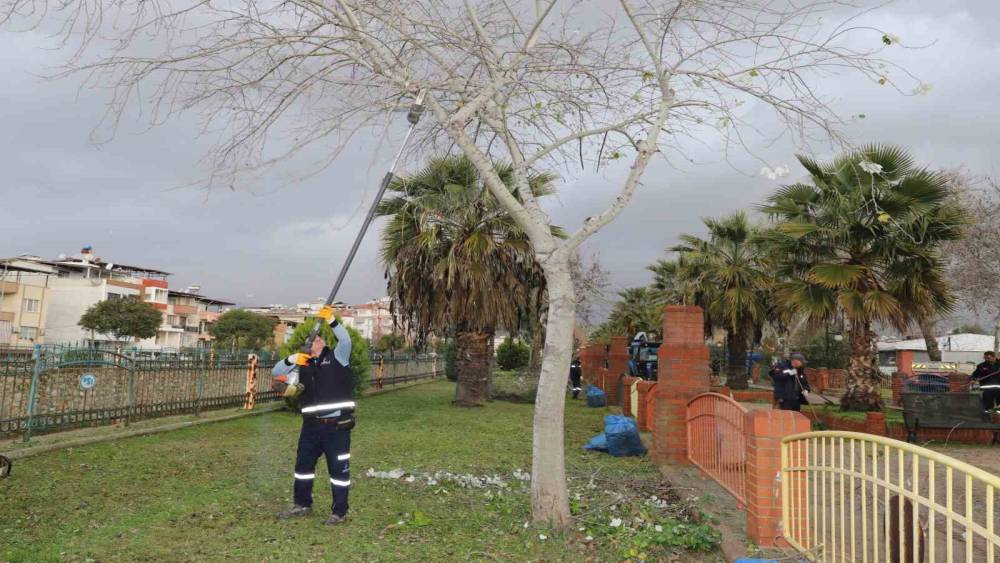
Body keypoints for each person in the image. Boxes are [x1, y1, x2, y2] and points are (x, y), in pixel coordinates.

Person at [274, 306, 355, 525]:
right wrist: (292, 359)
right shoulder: (303, 365)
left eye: (319, 337)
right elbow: (277, 373)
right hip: (310, 426)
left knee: (338, 470)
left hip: (336, 426)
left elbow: (345, 340)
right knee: (303, 467)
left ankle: (339, 512)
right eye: (312, 339)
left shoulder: (338, 356)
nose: (316, 339)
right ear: (307, 347)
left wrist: (332, 321)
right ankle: (302, 504)